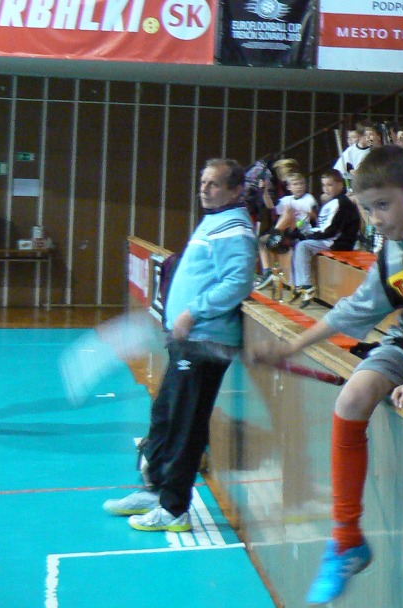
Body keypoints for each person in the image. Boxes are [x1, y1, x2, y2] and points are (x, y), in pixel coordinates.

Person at [251, 145, 403, 604]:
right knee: (350, 400)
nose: (375, 219)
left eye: (383, 205)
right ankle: (346, 540)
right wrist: (291, 346)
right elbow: (354, 310)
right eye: (367, 209)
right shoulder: (392, 250)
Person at [103, 159, 257, 530]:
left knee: (185, 423)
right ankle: (155, 489)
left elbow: (237, 282)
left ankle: (174, 509)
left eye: (214, 184)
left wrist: (192, 312)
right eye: (203, 182)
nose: (205, 189)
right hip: (188, 342)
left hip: (206, 342)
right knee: (165, 416)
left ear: (236, 190)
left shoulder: (236, 229)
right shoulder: (216, 221)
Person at [289, 170, 363, 304]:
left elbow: (330, 231)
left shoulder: (341, 203)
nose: (326, 189)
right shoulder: (332, 203)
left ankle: (306, 285)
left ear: (340, 185)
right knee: (297, 243)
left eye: (330, 185)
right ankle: (296, 284)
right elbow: (323, 228)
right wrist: (306, 234)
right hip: (329, 239)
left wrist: (309, 235)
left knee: (302, 246)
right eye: (324, 185)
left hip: (337, 243)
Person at [258, 171, 317, 272]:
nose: (299, 187)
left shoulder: (309, 198)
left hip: (303, 231)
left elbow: (313, 216)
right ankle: (266, 271)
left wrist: (300, 211)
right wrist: (264, 192)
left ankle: (274, 237)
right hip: (289, 231)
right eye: (295, 184)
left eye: (301, 184)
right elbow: (271, 207)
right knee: (262, 240)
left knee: (289, 213)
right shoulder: (286, 199)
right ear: (289, 187)